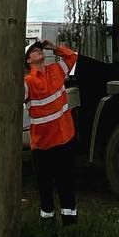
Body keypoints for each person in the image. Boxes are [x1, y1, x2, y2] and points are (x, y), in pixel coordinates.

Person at [24, 39, 80, 227]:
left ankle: (70, 224)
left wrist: (54, 48)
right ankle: (47, 226)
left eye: (39, 48)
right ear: (28, 60)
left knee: (66, 184)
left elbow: (72, 57)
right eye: (33, 50)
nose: (38, 50)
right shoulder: (28, 82)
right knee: (45, 188)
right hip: (42, 145)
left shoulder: (56, 70)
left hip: (64, 139)